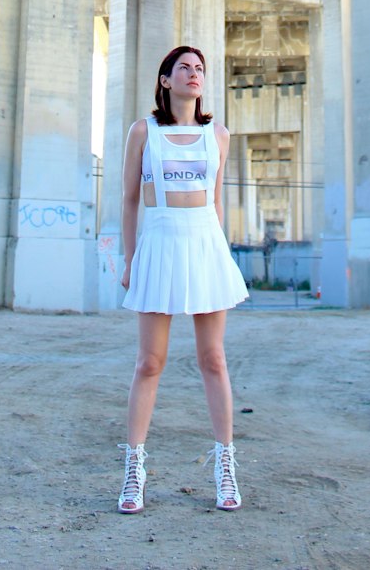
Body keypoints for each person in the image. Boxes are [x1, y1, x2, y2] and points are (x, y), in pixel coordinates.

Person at [118, 45, 249, 514]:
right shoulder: (143, 131)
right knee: (149, 363)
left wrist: (224, 256)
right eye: (184, 68)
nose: (194, 75)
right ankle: (134, 469)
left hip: (205, 246)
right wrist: (130, 260)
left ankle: (225, 466)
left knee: (213, 359)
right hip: (158, 245)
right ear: (165, 80)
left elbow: (216, 202)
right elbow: (130, 199)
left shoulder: (219, 134)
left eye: (200, 69)